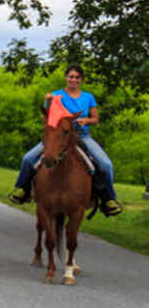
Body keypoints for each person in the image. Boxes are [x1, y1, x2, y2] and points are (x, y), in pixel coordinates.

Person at [8, 64, 122, 216]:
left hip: (82, 136)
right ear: (66, 78)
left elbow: (95, 118)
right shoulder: (56, 95)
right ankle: (22, 189)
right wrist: (48, 101)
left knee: (106, 164)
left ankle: (109, 199)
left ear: (81, 79)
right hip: (58, 137)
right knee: (28, 158)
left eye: (77, 77)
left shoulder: (88, 97)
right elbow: (45, 118)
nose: (73, 80)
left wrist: (86, 121)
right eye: (71, 76)